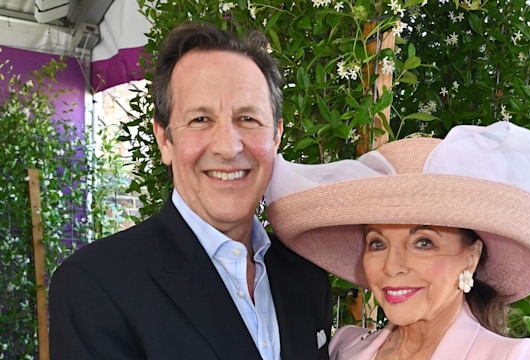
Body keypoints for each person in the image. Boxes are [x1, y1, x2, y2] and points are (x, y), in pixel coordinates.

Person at [49, 22, 332, 359]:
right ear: (165, 139)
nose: (228, 147)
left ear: (275, 138)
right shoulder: (96, 285)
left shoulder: (306, 276)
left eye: (248, 119)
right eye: (200, 119)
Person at [264, 121, 530, 359]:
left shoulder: (511, 358)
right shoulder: (345, 349)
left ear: (471, 256)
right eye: (377, 243)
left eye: (423, 242)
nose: (393, 267)